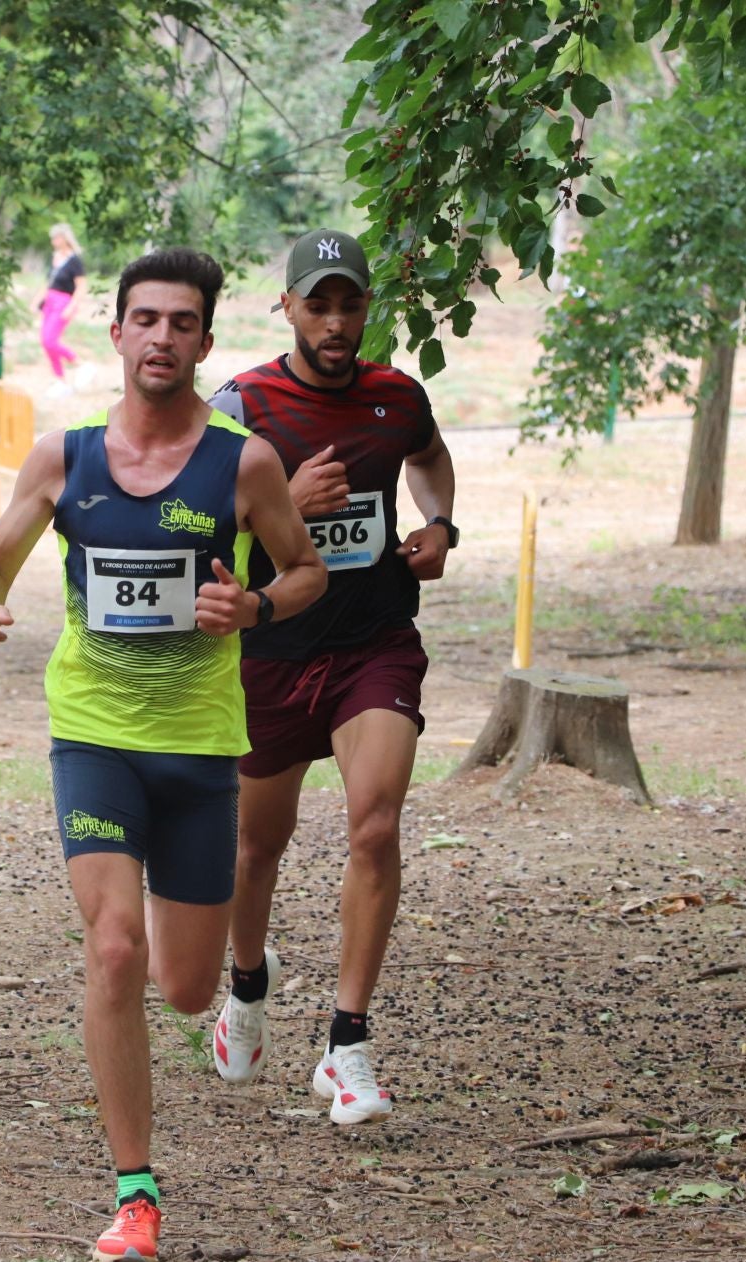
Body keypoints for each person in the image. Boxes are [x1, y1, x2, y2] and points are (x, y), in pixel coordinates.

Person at [0, 248, 325, 1262]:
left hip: (202, 746)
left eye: (182, 323)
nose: (162, 337)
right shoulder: (66, 457)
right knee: (114, 945)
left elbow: (305, 571)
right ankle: (135, 1190)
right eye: (145, 319)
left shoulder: (244, 463)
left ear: (206, 341)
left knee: (185, 987)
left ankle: (240, 970)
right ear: (114, 332)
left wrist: (251, 604)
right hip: (95, 735)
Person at [205, 228, 458, 1125]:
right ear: (288, 309)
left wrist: (439, 525)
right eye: (319, 303)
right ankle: (246, 980)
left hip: (373, 643)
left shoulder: (397, 397)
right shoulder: (240, 401)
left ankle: (347, 1044)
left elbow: (429, 459)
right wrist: (276, 507)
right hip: (272, 652)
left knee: (376, 822)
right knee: (254, 849)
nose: (337, 320)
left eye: (351, 302)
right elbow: (191, 520)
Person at [36, 222, 88, 393]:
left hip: (64, 302)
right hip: (50, 302)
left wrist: (72, 306)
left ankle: (80, 364)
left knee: (50, 340)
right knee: (45, 342)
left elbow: (81, 286)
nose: (54, 241)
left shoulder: (74, 261)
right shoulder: (56, 258)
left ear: (65, 238)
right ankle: (60, 379)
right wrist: (37, 301)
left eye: (57, 238)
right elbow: (48, 283)